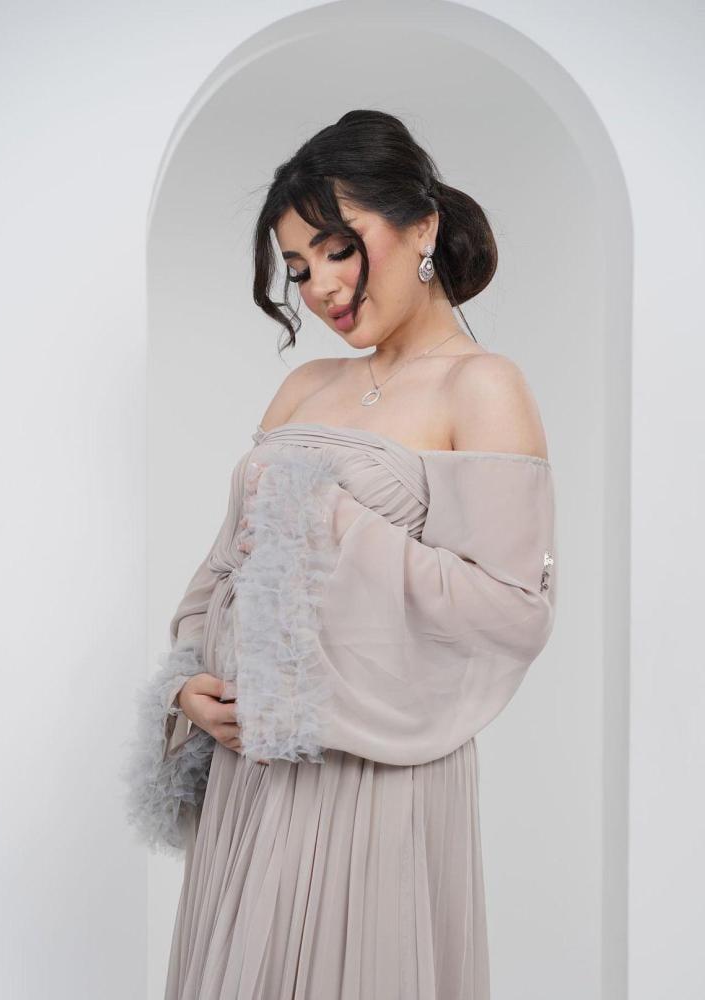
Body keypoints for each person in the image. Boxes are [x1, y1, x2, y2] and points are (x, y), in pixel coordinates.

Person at [123, 109, 557, 1000]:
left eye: (337, 249)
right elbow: (224, 571)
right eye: (296, 268)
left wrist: (332, 527)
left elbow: (511, 610)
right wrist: (187, 682)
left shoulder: (481, 385)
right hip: (250, 774)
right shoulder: (302, 387)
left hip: (375, 782)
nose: (319, 286)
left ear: (421, 227)